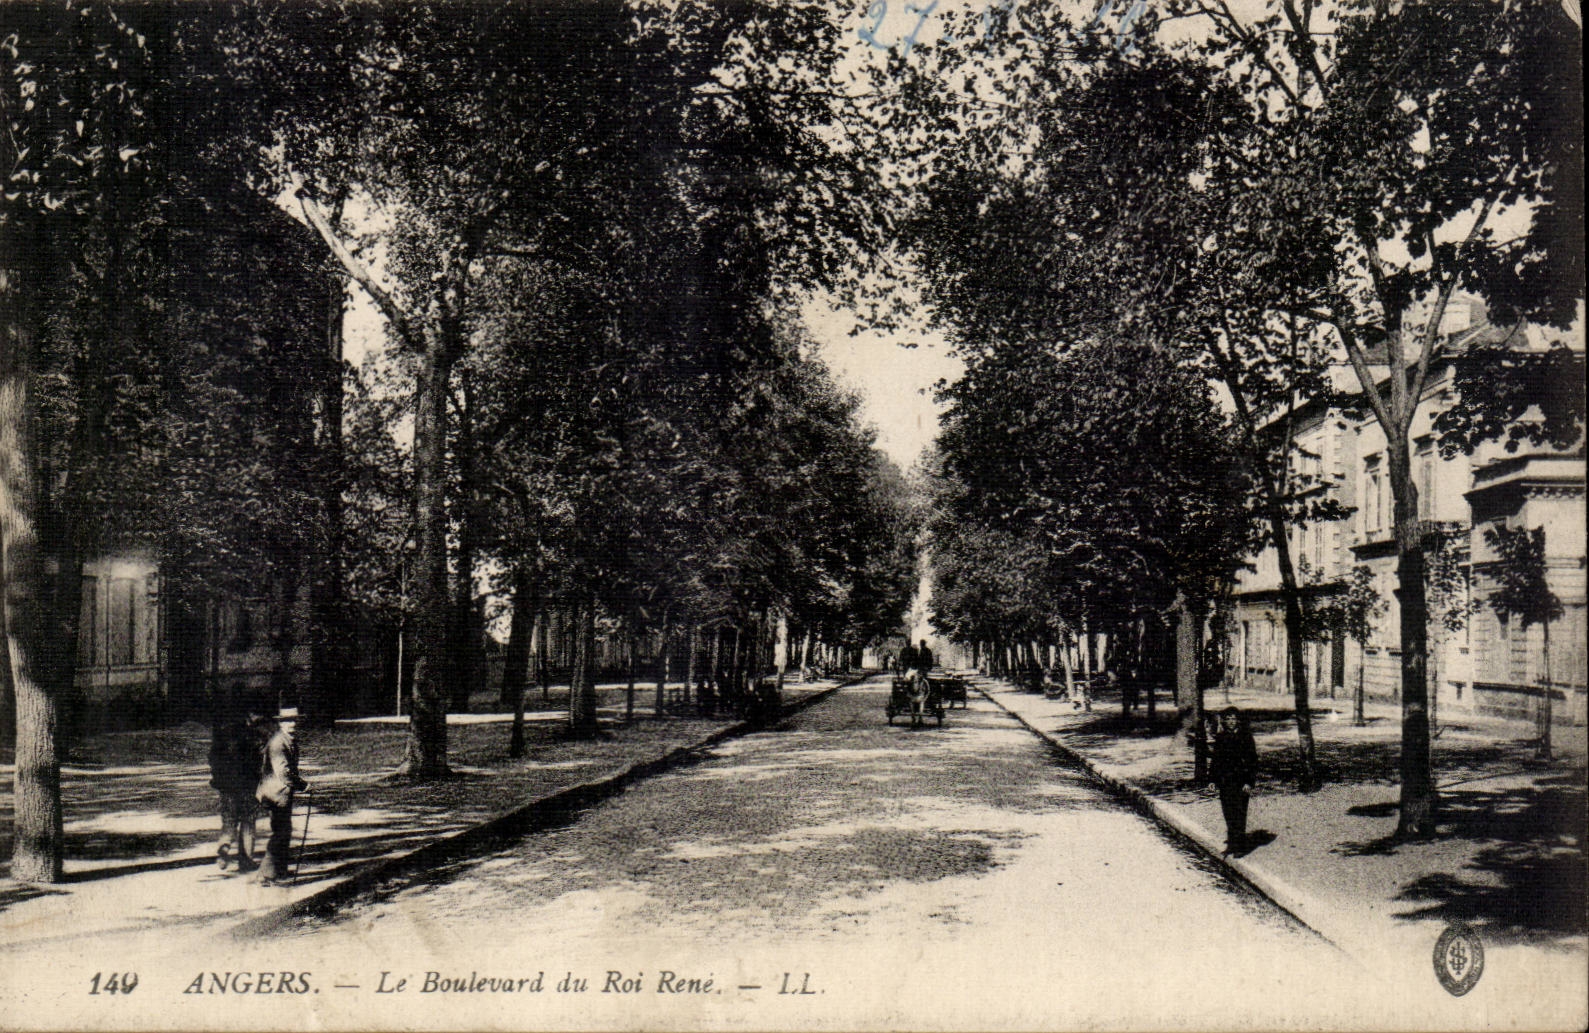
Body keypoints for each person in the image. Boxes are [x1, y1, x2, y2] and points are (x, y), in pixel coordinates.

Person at [252, 697, 309, 886]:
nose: (292, 724)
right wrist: (303, 785)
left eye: (294, 720)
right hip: (275, 794)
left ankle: (280, 871)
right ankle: (266, 874)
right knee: (281, 832)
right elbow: (283, 772)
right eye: (287, 721)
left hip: (281, 792)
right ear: (281, 723)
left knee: (284, 831)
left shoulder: (288, 739)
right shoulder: (278, 743)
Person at [208, 693, 260, 874]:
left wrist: (218, 779)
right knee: (248, 822)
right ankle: (246, 859)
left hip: (226, 787)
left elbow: (213, 758)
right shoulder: (250, 734)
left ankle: (224, 847)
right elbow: (256, 761)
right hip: (246, 786)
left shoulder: (222, 733)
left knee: (229, 821)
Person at [1208, 706, 1258, 855]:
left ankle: (1240, 847)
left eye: (1234, 718)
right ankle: (1231, 845)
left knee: (1239, 813)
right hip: (1225, 782)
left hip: (1241, 782)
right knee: (1228, 813)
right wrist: (1212, 780)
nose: (1231, 722)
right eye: (1228, 719)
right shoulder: (1221, 737)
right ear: (1224, 721)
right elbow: (1216, 760)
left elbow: (1252, 761)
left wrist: (1249, 782)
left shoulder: (1246, 737)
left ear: (1238, 720)